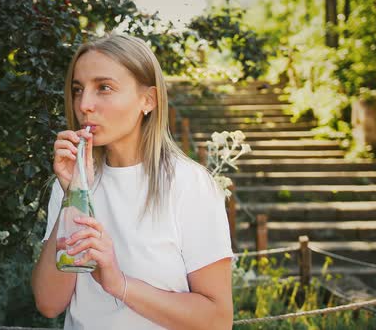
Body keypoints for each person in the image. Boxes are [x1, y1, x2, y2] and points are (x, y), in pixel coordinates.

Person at [31, 33, 234, 330]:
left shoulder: (189, 184)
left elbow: (218, 320)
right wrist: (73, 195)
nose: (84, 104)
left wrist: (119, 283)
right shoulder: (72, 182)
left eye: (104, 88)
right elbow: (49, 304)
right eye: (78, 90)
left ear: (148, 100)